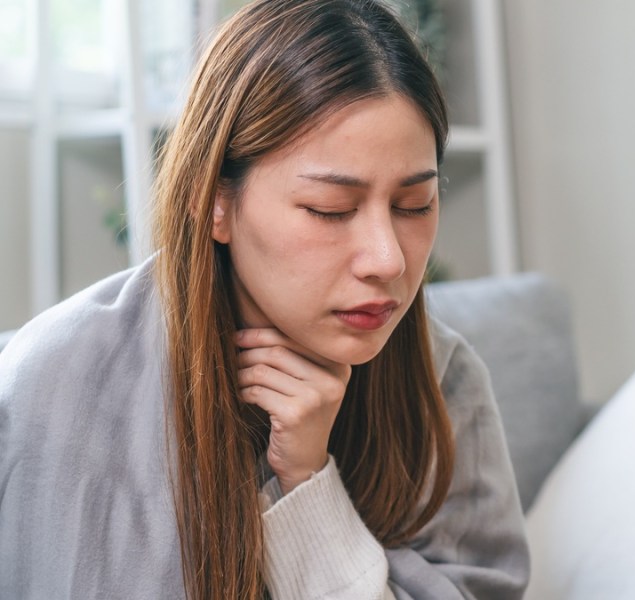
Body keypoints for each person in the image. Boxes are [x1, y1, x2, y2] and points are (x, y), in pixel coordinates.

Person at [0, 1, 529, 598]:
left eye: (413, 205)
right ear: (216, 201)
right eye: (330, 210)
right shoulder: (61, 384)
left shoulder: (443, 378)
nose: (389, 259)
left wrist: (307, 484)